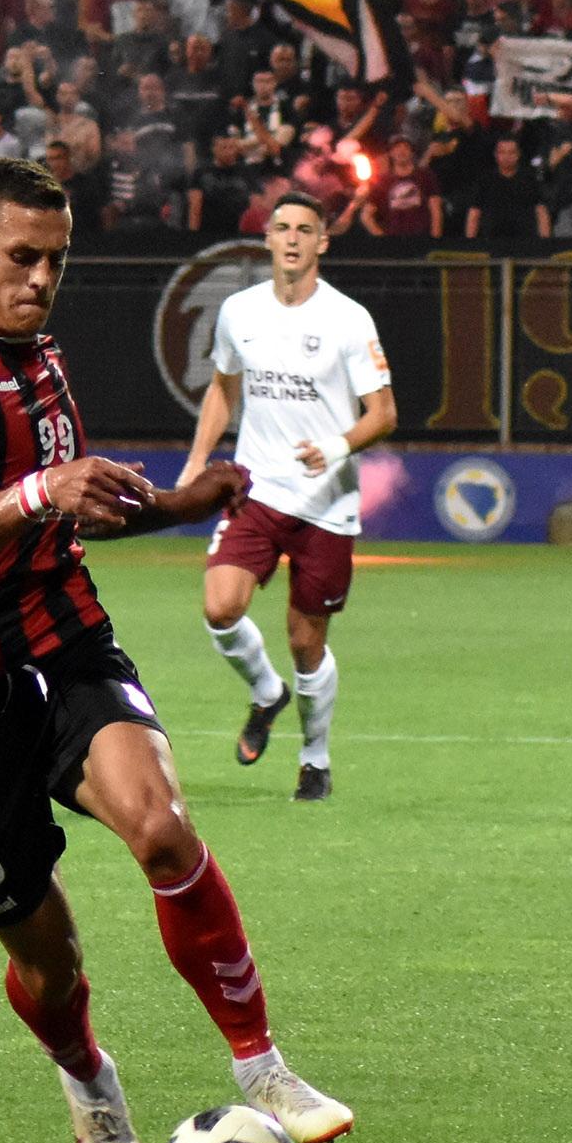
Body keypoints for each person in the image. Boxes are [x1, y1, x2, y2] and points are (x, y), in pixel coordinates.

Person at [0, 159, 351, 1143]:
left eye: (57, 260)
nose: (42, 278)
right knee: (50, 960)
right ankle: (86, 1070)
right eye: (22, 257)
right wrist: (44, 488)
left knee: (164, 824)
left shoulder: (40, 354)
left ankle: (261, 1064)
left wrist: (183, 503)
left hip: (67, 639)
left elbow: (72, 503)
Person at [183, 193, 400, 801]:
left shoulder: (349, 320)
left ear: (322, 242)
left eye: (306, 230)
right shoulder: (239, 311)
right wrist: (199, 463)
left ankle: (314, 758)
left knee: (306, 642)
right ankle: (264, 693)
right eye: (283, 228)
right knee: (221, 607)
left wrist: (334, 448)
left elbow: (382, 413)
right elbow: (223, 389)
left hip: (327, 502)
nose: (293, 239)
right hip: (258, 487)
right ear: (269, 239)